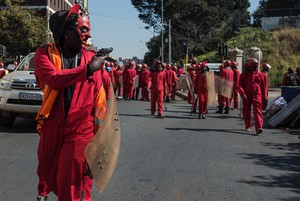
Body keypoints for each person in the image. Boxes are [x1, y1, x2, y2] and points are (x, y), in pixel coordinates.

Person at [34, 4, 109, 201]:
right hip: (52, 124)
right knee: (48, 169)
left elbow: (102, 100)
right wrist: (88, 70)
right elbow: (54, 78)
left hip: (81, 129)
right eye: (83, 29)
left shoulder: (91, 57)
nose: (88, 33)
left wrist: (99, 144)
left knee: (73, 181)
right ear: (66, 32)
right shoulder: (44, 54)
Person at [238, 58, 266, 135]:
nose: (255, 68)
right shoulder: (244, 74)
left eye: (256, 67)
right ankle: (248, 126)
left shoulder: (259, 74)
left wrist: (264, 97)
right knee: (246, 110)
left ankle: (259, 127)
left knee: (257, 110)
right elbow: (239, 85)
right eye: (253, 67)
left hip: (257, 94)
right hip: (246, 95)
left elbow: (263, 86)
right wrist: (242, 93)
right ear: (250, 66)